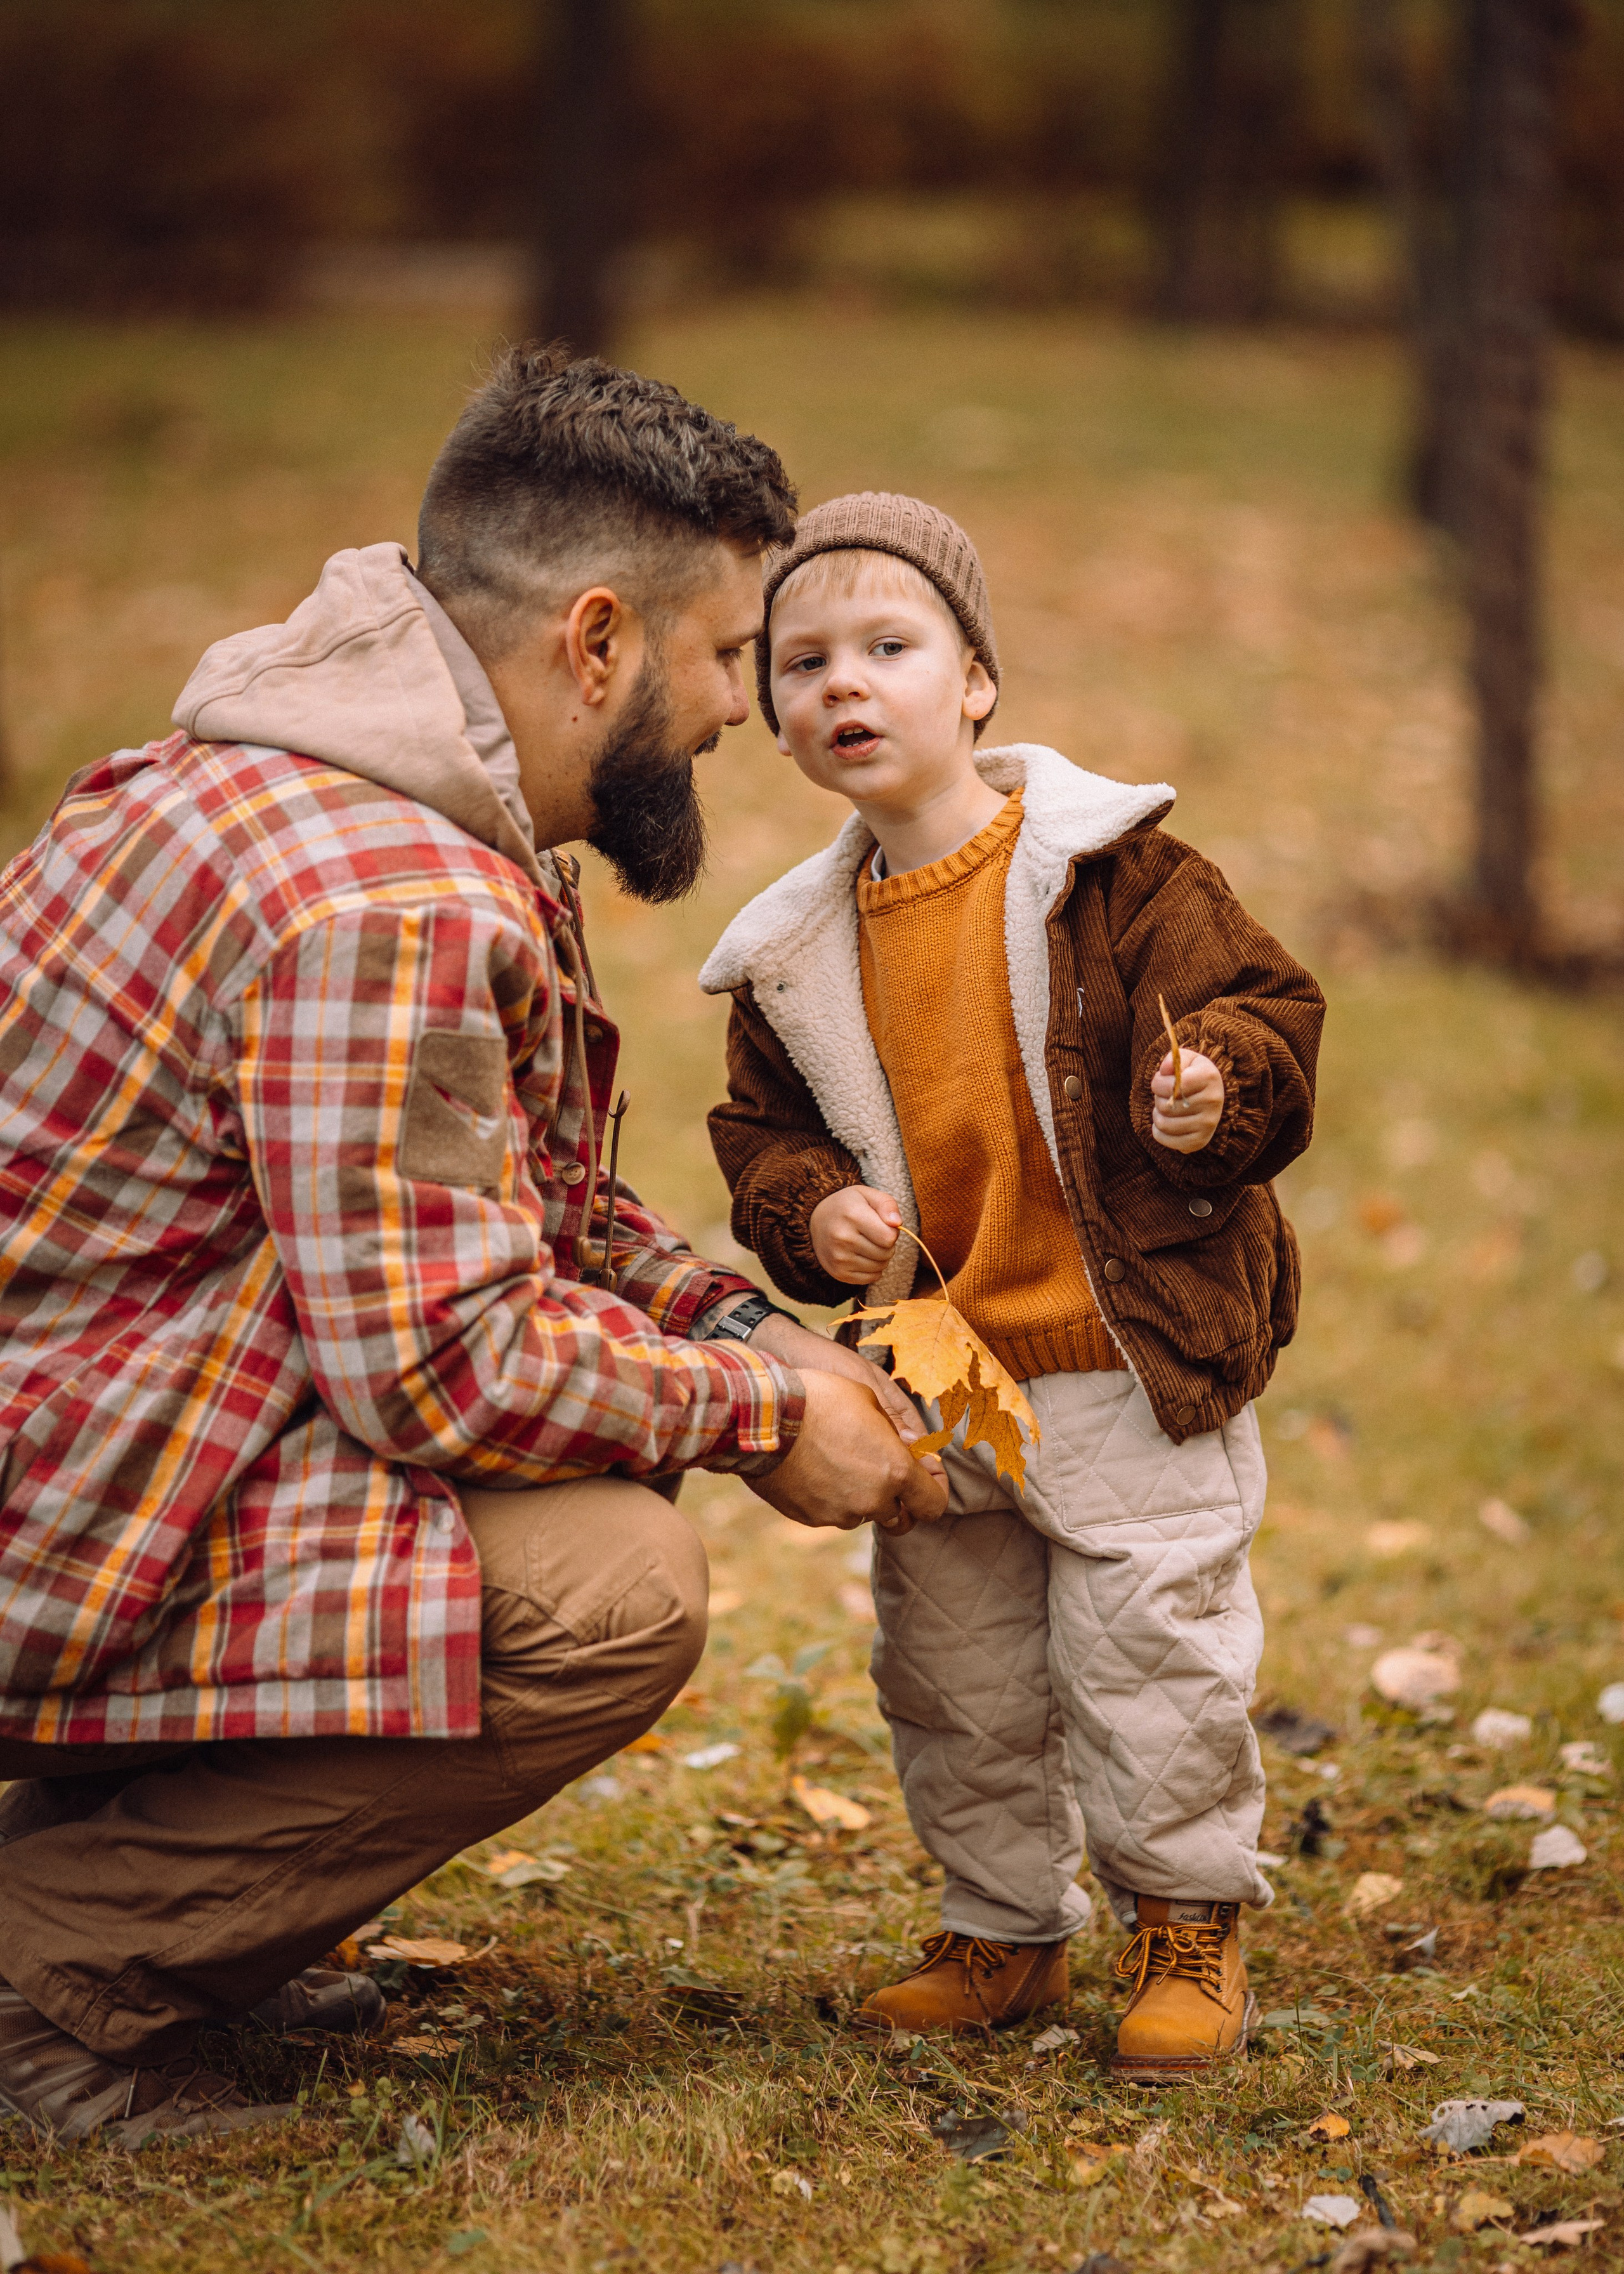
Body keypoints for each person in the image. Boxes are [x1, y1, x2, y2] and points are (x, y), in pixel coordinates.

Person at [0, 357, 945, 2147]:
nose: (746, 707)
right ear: (596, 641)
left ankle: (141, 1903)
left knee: (530, 1524)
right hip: (57, 1512)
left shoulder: (355, 783)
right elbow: (446, 1362)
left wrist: (754, 1324)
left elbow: (543, 1211)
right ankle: (48, 1977)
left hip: (96, 1445)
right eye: (725, 652)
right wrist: (756, 1417)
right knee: (610, 1597)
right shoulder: (390, 905)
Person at [702, 492, 1325, 2080]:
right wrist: (810, 1210)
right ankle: (999, 1925)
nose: (842, 685)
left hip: (1126, 1350)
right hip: (939, 1364)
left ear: (975, 680)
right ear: (771, 714)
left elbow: (1262, 1011)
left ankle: (1183, 1917)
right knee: (951, 1668)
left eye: (887, 648)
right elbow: (760, 1137)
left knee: (1151, 1656)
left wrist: (1218, 1092)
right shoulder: (794, 950)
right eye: (800, 663)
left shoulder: (1115, 873)